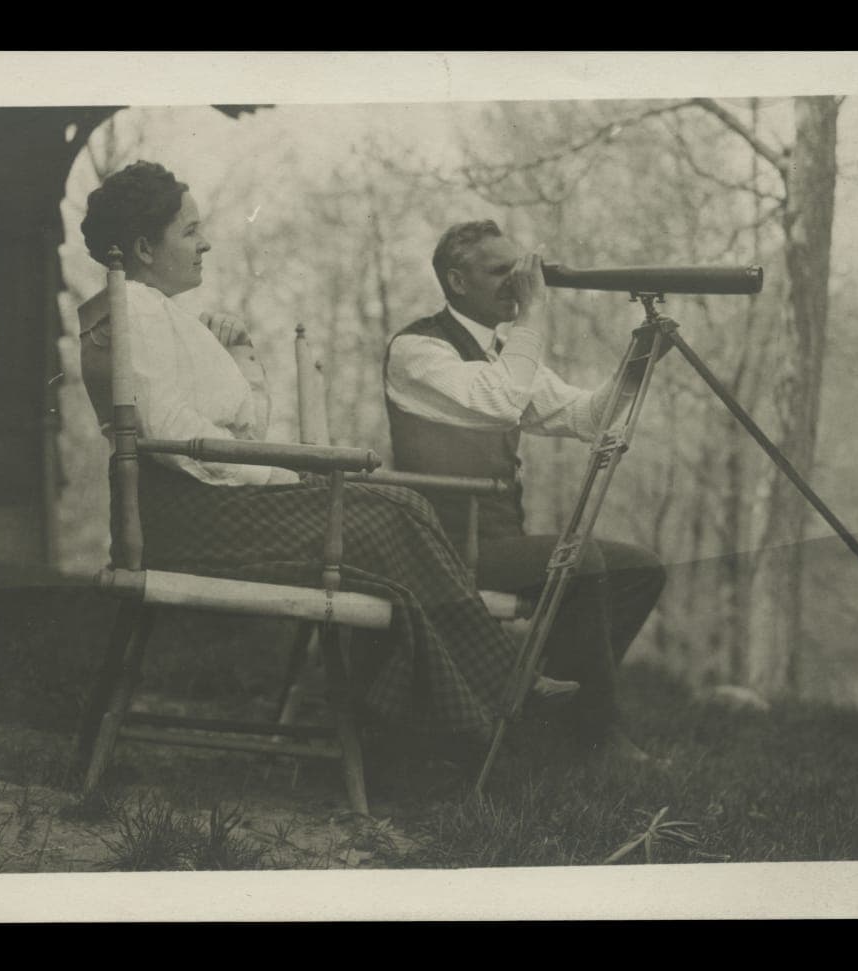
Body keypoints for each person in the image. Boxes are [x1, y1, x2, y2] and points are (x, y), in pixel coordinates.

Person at [78, 162, 573, 748]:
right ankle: (481, 704)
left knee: (400, 511)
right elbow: (169, 433)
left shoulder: (159, 314)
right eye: (189, 231)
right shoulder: (132, 311)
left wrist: (238, 357)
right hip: (186, 517)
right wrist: (279, 475)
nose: (205, 241)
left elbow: (228, 428)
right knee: (397, 512)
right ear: (143, 247)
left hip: (207, 504)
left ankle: (458, 708)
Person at [384, 220, 668, 763]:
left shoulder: (501, 354)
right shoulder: (418, 349)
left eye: (520, 271)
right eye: (499, 272)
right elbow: (500, 402)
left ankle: (551, 716)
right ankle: (594, 733)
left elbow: (588, 416)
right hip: (438, 546)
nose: (516, 283)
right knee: (577, 559)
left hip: (492, 541)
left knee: (642, 570)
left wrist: (639, 361)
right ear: (457, 281)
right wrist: (534, 318)